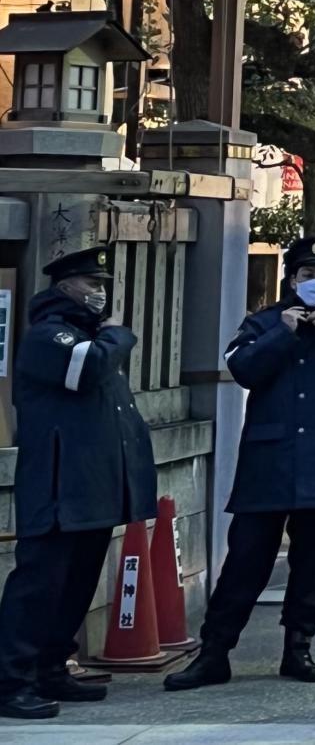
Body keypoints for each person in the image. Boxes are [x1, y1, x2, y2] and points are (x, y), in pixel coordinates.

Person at [167, 237, 315, 691]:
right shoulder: (265, 322)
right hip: (272, 459)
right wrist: (281, 333)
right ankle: (215, 652)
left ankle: (298, 647)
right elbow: (244, 369)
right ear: (292, 280)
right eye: (308, 276)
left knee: (310, 563)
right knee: (246, 558)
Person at [0, 247, 156, 719]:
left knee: (76, 584)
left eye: (103, 285)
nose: (99, 293)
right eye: (92, 284)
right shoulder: (51, 335)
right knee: (39, 587)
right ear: (65, 286)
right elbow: (85, 371)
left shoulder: (89, 335)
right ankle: (11, 680)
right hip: (57, 489)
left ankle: (51, 667)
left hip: (92, 489)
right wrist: (120, 337)